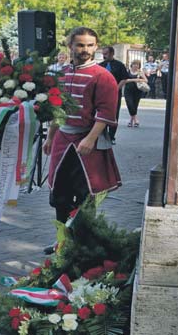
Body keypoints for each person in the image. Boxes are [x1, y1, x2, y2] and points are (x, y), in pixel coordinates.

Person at [43, 27, 121, 254]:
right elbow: (57, 107)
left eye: (89, 45)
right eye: (80, 45)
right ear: (70, 46)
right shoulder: (61, 73)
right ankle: (63, 241)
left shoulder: (103, 76)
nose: (85, 50)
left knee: (85, 196)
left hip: (87, 143)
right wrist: (50, 136)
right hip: (62, 141)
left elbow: (105, 113)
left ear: (96, 47)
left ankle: (84, 244)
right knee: (59, 195)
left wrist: (90, 138)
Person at [99, 46, 129, 144]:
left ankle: (111, 136)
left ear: (112, 54)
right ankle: (102, 134)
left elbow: (124, 78)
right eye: (103, 54)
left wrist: (116, 89)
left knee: (114, 114)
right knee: (101, 113)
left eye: (106, 54)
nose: (104, 56)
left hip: (115, 94)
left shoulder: (119, 65)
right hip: (102, 93)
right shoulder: (100, 65)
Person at [124, 59, 148, 128]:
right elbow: (125, 80)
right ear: (132, 65)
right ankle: (135, 119)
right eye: (134, 64)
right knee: (130, 104)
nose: (136, 66)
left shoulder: (140, 72)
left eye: (137, 64)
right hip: (128, 91)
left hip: (137, 91)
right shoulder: (128, 72)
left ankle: (131, 121)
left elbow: (146, 80)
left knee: (135, 105)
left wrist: (139, 79)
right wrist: (135, 80)